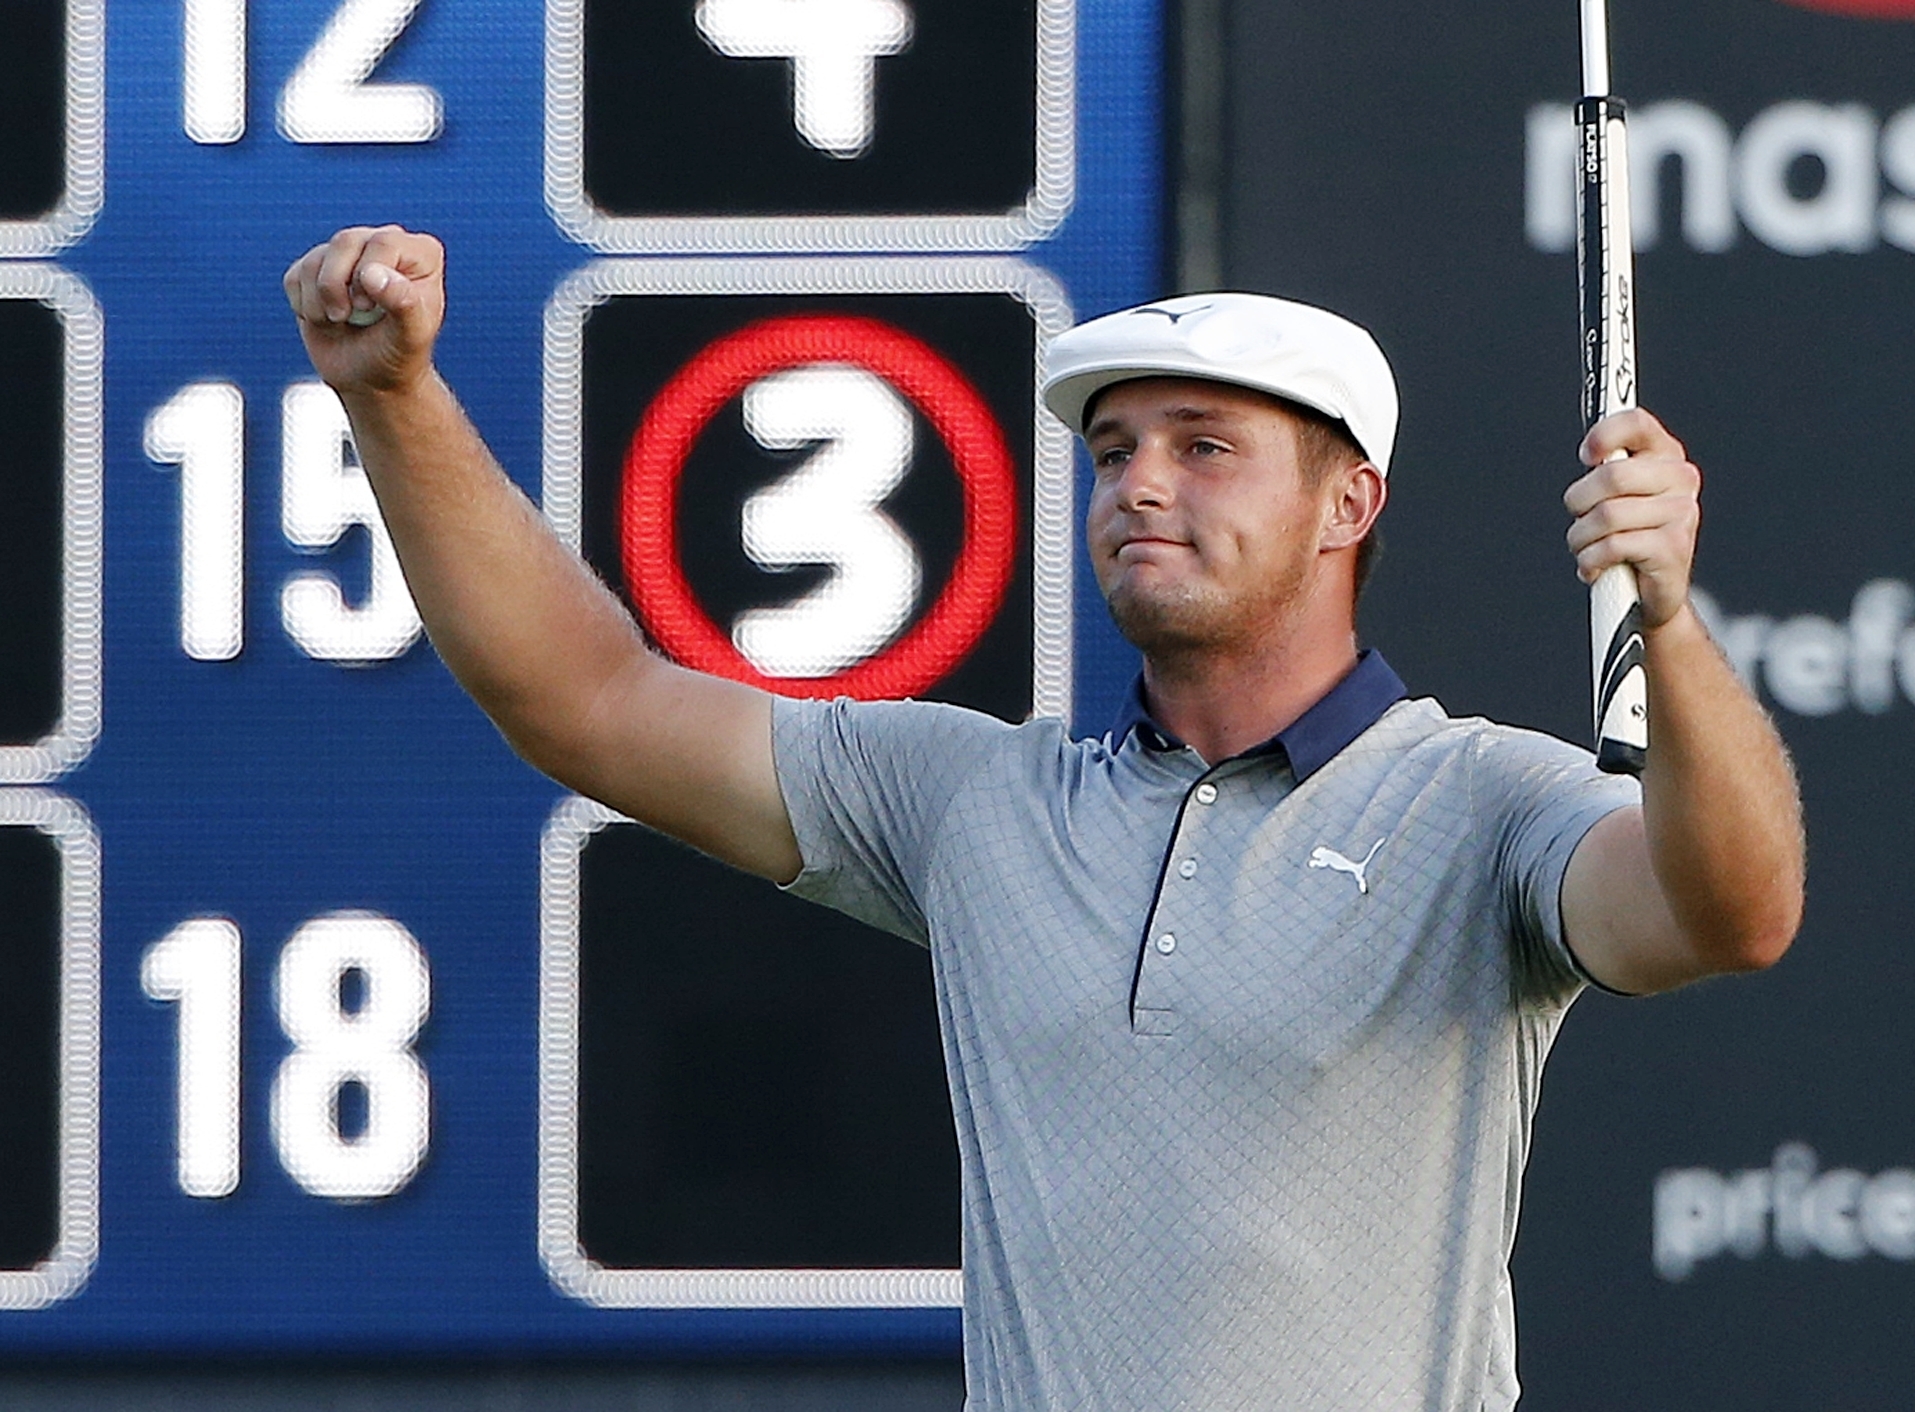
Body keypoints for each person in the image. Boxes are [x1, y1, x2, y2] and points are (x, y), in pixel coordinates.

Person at [285, 226, 1804, 1411]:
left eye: (1204, 445)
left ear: (1349, 504)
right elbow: (591, 703)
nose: (1140, 484)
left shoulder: (1480, 799)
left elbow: (1731, 913)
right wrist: (396, 399)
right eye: (1115, 450)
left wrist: (1667, 619)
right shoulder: (975, 800)